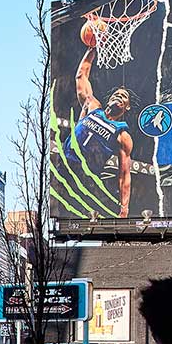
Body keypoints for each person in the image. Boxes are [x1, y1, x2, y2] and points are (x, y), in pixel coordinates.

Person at [68, 46, 135, 217]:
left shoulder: (122, 134)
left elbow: (124, 175)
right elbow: (81, 76)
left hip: (84, 178)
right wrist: (92, 48)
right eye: (116, 94)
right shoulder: (92, 106)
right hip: (65, 163)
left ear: (126, 107)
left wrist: (124, 208)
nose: (118, 96)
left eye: (123, 97)